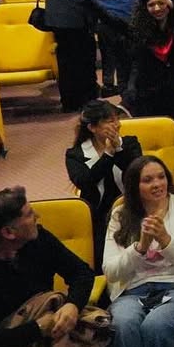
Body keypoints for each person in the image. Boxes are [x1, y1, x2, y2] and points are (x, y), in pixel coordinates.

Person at [101, 156, 174, 347]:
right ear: (134, 186)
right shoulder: (121, 214)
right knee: (122, 325)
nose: (157, 184)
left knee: (156, 326)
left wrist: (165, 240)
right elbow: (111, 272)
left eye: (161, 177)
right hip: (132, 290)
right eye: (148, 180)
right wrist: (140, 247)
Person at [0, 186, 99, 347]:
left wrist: (73, 305)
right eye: (28, 214)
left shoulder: (39, 239)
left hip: (48, 337)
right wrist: (38, 328)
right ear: (8, 232)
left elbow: (81, 273)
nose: (37, 216)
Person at [64, 100, 143, 264]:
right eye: (110, 121)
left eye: (117, 119)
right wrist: (108, 154)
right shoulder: (75, 155)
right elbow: (85, 181)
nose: (118, 125)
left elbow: (137, 173)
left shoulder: (130, 144)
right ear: (92, 128)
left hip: (133, 208)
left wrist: (118, 150)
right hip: (99, 216)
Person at [123, 0, 174, 141]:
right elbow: (108, 19)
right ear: (145, 8)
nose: (157, 8)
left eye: (161, 3)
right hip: (148, 96)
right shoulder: (137, 31)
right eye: (151, 5)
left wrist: (171, 3)